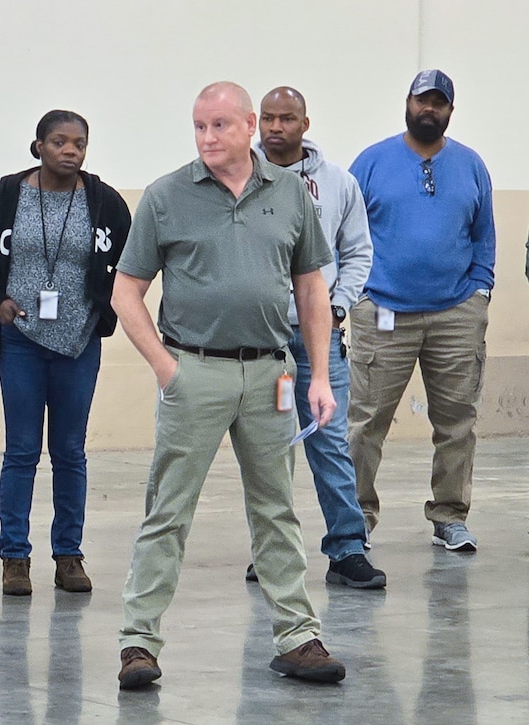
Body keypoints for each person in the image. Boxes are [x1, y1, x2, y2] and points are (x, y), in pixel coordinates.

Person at [112, 82, 345, 689]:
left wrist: (318, 375)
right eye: (198, 127)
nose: (208, 138)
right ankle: (138, 643)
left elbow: (312, 289)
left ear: (248, 126)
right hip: (196, 371)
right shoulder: (167, 196)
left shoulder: (290, 193)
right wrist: (167, 368)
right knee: (168, 510)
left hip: (273, 373)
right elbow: (125, 292)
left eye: (219, 126)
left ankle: (298, 637)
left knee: (277, 509)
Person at [0, 110, 130, 596]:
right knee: (22, 450)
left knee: (70, 450)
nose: (70, 151)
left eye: (79, 143)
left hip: (80, 340)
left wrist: (104, 306)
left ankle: (68, 555)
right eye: (59, 142)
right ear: (38, 146)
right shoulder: (6, 196)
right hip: (22, 341)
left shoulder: (105, 202)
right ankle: (15, 557)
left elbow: (131, 262)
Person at [348, 69, 494, 552]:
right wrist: (359, 296)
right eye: (421, 100)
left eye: (438, 102)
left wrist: (479, 293)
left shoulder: (471, 166)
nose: (428, 109)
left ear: (451, 110)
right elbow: (344, 235)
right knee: (366, 422)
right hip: (383, 312)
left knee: (457, 423)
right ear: (407, 103)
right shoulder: (371, 162)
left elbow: (483, 238)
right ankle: (356, 520)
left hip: (456, 314)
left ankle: (450, 516)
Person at [254, 86, 385, 589]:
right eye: (267, 118)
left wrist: (335, 308)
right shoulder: (236, 178)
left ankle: (348, 549)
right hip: (257, 336)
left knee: (329, 440)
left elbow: (358, 253)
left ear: (305, 124)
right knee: (267, 444)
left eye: (286, 118)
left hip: (317, 335)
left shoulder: (337, 184)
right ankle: (271, 549)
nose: (275, 127)